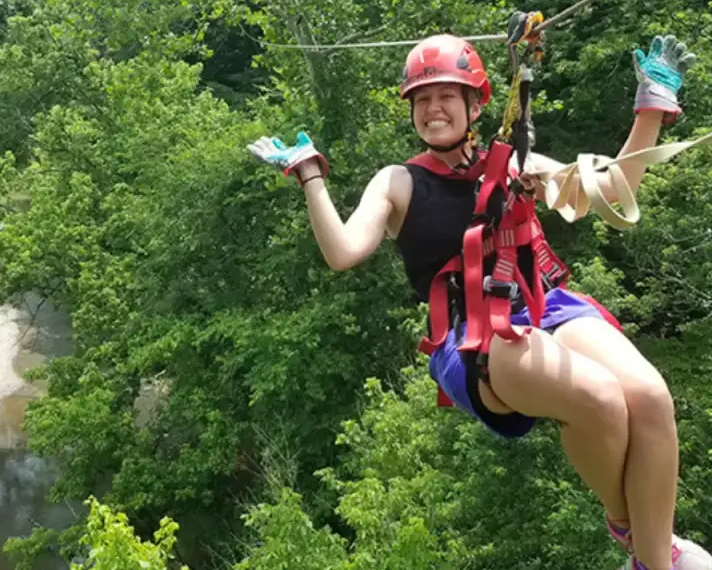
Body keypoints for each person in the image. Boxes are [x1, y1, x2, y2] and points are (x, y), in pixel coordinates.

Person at [247, 33, 711, 570]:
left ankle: (657, 562)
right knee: (601, 399)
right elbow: (344, 251)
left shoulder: (515, 163)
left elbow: (610, 193)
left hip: (542, 304)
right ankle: (630, 531)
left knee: (650, 398)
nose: (432, 108)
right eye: (421, 98)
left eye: (445, 95)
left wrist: (650, 108)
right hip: (471, 334)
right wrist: (309, 173)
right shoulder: (399, 181)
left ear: (475, 104)